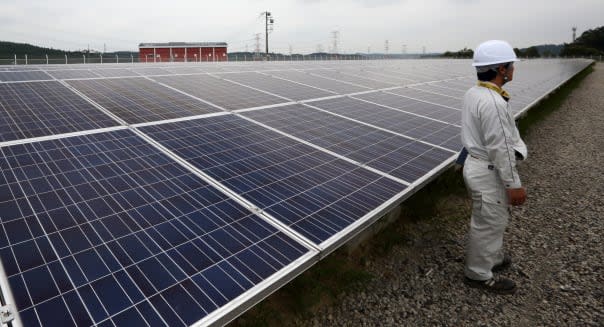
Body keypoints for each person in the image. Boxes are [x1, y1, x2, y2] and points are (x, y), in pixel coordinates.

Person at [459, 40, 528, 294]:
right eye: (511, 65)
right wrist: (514, 185)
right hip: (488, 171)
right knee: (488, 223)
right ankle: (477, 274)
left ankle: (493, 258)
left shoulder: (473, 93)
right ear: (501, 69)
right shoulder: (493, 103)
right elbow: (501, 149)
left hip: (477, 166)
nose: (513, 70)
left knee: (493, 218)